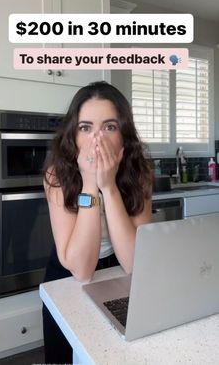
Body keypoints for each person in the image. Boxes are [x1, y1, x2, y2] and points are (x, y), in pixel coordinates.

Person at [42, 81, 153, 364]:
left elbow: (135, 265)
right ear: (74, 136)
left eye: (109, 127)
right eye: (86, 127)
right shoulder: (57, 176)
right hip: (66, 271)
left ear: (124, 135)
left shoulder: (140, 173)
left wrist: (110, 188)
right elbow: (81, 271)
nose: (97, 139)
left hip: (119, 269)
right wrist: (90, 186)